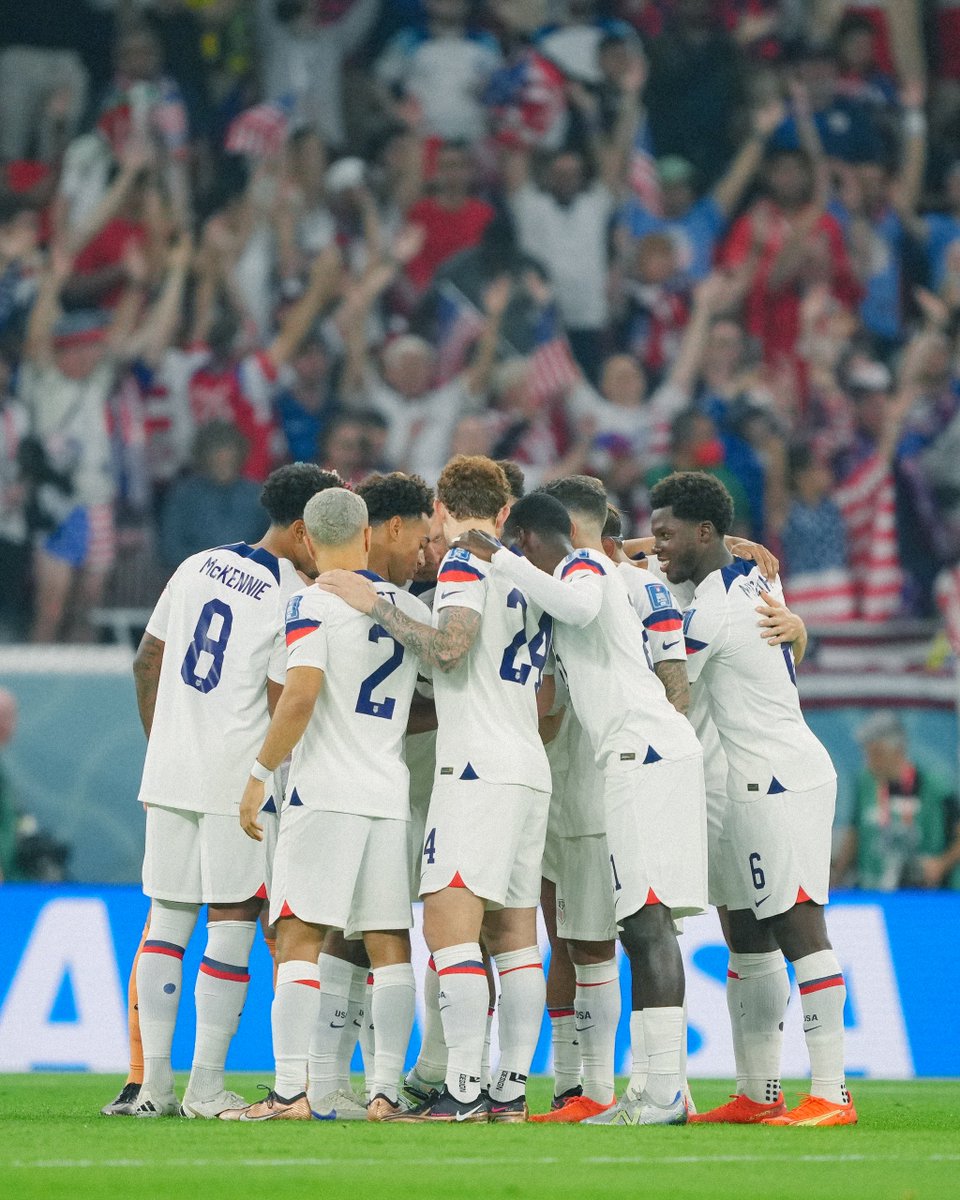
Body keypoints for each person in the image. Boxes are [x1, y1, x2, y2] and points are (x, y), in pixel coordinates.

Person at [459, 479, 706, 1127]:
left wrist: (499, 558)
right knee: (642, 923)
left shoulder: (585, 565)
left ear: (533, 540)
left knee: (648, 924)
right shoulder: (590, 569)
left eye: (522, 551)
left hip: (644, 753)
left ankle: (664, 1092)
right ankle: (655, 1089)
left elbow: (575, 605)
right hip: (638, 754)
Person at [317, 456, 553, 1123]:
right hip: (528, 765)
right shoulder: (530, 576)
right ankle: (509, 1091)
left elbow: (449, 647)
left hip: (474, 768)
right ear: (505, 513)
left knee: (451, 931)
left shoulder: (462, 566)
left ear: (444, 509)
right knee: (513, 935)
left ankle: (466, 1088)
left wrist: (377, 605)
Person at [123, 462, 337, 1120]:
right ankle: (205, 1085)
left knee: (167, 921)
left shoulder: (196, 565)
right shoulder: (291, 596)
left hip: (170, 769)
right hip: (236, 777)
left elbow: (147, 661)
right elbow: (283, 701)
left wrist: (164, 740)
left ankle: (152, 1087)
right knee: (234, 920)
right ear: (303, 530)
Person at [648, 470, 856, 1127]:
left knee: (798, 926)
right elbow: (789, 637)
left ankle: (831, 1093)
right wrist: (798, 629)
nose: (658, 546)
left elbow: (672, 687)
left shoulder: (716, 607)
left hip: (781, 775)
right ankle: (757, 1092)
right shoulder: (755, 576)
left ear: (704, 532)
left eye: (667, 534)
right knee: (745, 929)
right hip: (752, 775)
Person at [221, 487, 431, 1122]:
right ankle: (386, 1093)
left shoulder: (311, 602)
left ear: (306, 541)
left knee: (298, 935)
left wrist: (259, 773)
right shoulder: (401, 606)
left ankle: (289, 1092)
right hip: (388, 792)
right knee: (390, 942)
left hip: (327, 794)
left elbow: (301, 693)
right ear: (368, 535)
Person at [833, 711, 960, 891]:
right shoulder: (864, 784)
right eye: (867, 754)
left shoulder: (935, 787)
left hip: (923, 895)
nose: (870, 762)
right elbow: (854, 833)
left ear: (898, 750)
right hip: (872, 891)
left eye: (876, 753)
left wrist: (940, 864)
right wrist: (837, 877)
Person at [159, 423, 265, 569]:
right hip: (198, 581)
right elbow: (171, 548)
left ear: (239, 456)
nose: (222, 460)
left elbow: (275, 546)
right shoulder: (184, 497)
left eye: (228, 452)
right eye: (216, 453)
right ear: (203, 457)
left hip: (250, 582)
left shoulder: (257, 495)